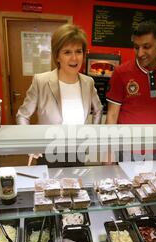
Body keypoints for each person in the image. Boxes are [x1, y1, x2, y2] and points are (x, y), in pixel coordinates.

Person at [16, 24, 102, 166]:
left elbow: (98, 110)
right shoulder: (41, 81)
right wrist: (30, 144)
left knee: (76, 187)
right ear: (57, 56)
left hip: (77, 151)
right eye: (67, 52)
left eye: (78, 51)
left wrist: (92, 136)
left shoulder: (88, 82)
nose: (74, 58)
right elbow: (22, 115)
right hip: (48, 151)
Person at [105, 20, 156, 161]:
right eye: (136, 47)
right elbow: (112, 115)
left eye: (146, 47)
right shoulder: (121, 72)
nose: (140, 53)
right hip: (126, 149)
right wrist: (109, 151)